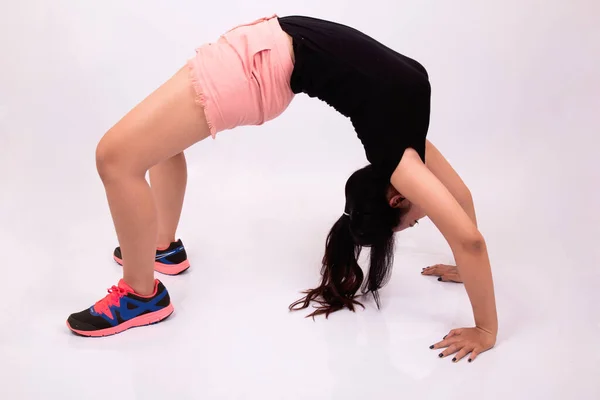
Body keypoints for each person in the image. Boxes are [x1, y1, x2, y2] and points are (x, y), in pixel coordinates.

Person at [66, 15, 497, 363]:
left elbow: (469, 237)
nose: (428, 213)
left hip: (255, 70)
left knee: (115, 158)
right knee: (153, 145)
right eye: (417, 220)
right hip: (257, 55)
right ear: (396, 198)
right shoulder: (404, 144)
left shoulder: (399, 153)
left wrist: (485, 329)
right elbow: (464, 212)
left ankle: (142, 294)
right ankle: (161, 250)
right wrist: (461, 263)